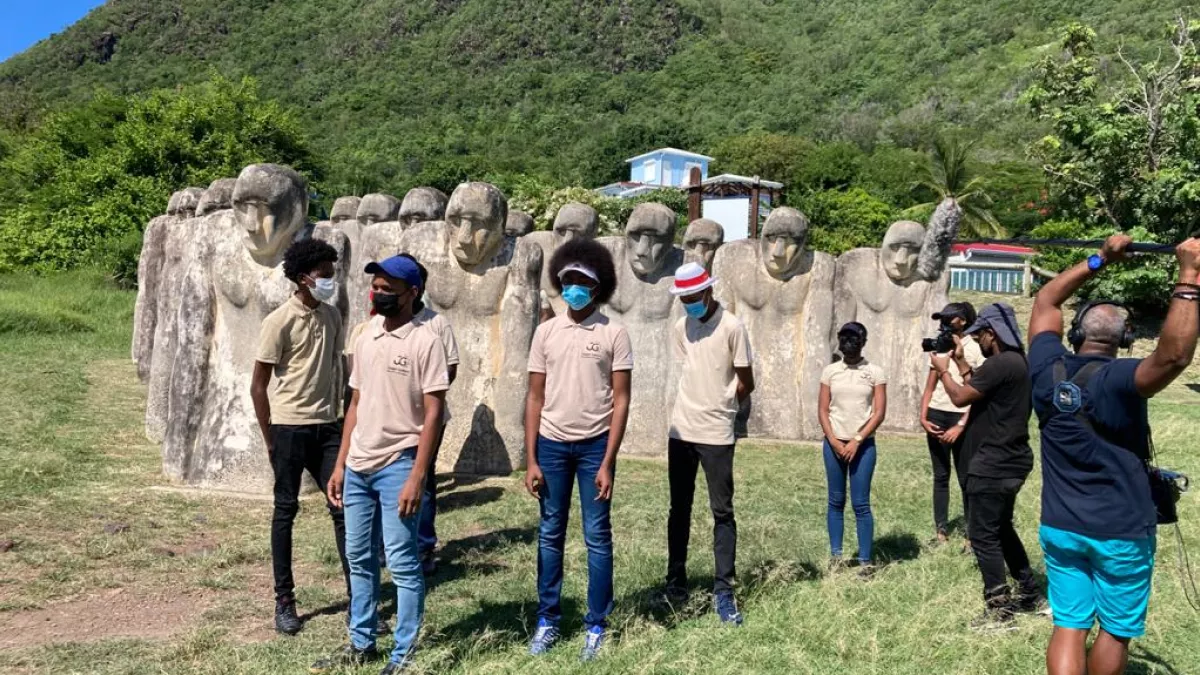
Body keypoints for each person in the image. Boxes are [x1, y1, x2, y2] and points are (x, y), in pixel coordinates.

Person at [1028, 234, 1200, 675]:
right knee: (1115, 629)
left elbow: (1047, 299)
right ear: (1126, 338)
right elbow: (1175, 355)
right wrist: (1189, 276)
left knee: (1069, 624)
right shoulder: (1126, 378)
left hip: (1060, 524)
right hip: (1121, 530)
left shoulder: (1046, 364)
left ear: (1077, 332)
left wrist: (1099, 259)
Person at [312, 255, 449, 674]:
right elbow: (354, 403)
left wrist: (416, 477)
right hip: (357, 467)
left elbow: (433, 414)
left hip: (398, 464)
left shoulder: (426, 340)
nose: (380, 293)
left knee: (404, 562)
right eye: (377, 286)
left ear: (413, 293)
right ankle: (362, 640)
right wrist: (339, 465)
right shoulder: (366, 334)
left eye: (390, 288)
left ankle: (403, 652)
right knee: (359, 558)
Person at [523, 239, 632, 662]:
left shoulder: (614, 333)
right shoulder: (545, 332)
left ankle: (597, 623)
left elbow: (621, 399)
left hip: (594, 450)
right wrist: (531, 457)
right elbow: (534, 397)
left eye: (582, 282)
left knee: (597, 537)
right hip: (550, 446)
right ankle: (548, 619)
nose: (573, 288)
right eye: (567, 281)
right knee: (550, 534)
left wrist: (608, 460)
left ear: (598, 286)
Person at [250, 238, 350, 636]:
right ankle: (285, 600)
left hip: (328, 427)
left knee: (343, 511)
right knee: (285, 511)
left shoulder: (332, 316)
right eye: (325, 274)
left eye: (333, 273)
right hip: (289, 427)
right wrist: (270, 436)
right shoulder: (278, 321)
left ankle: (359, 597)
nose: (331, 280)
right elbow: (258, 385)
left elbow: (338, 368)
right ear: (304, 276)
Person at [932, 302, 1040, 630]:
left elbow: (961, 398)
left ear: (992, 334)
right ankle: (1031, 594)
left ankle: (999, 610)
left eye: (980, 335)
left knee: (982, 535)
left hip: (992, 461)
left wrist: (941, 369)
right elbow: (979, 386)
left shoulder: (1000, 363)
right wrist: (962, 363)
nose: (976, 340)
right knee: (1002, 527)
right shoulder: (1016, 363)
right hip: (1013, 459)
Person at [663, 262, 755, 624]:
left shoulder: (732, 326)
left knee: (722, 512)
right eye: (683, 298)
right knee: (678, 509)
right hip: (681, 431)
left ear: (709, 291)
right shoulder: (680, 327)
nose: (689, 303)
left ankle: (724, 591)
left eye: (693, 296)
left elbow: (746, 379)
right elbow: (691, 370)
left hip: (717, 433)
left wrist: (726, 405)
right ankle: (675, 581)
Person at [400, 253, 459, 576]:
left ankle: (423, 547)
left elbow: (450, 369)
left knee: (422, 481)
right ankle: (391, 544)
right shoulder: (382, 321)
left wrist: (423, 392)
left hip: (428, 419)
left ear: (416, 287)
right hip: (390, 419)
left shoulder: (436, 323)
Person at [818, 322, 887, 578]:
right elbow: (823, 410)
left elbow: (879, 412)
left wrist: (857, 439)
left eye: (854, 338)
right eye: (844, 338)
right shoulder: (830, 372)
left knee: (861, 503)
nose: (848, 343)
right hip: (834, 444)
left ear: (863, 341)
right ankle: (836, 557)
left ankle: (865, 560)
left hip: (863, 445)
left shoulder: (875, 372)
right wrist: (834, 441)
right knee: (835, 501)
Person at [919, 302, 985, 546]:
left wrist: (962, 424)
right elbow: (930, 386)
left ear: (964, 320)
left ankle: (970, 536)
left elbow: (978, 390)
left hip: (962, 417)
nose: (945, 322)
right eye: (943, 319)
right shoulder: (940, 345)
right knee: (940, 476)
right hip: (937, 413)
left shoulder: (975, 348)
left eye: (950, 318)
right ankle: (940, 533)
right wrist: (923, 416)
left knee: (966, 477)